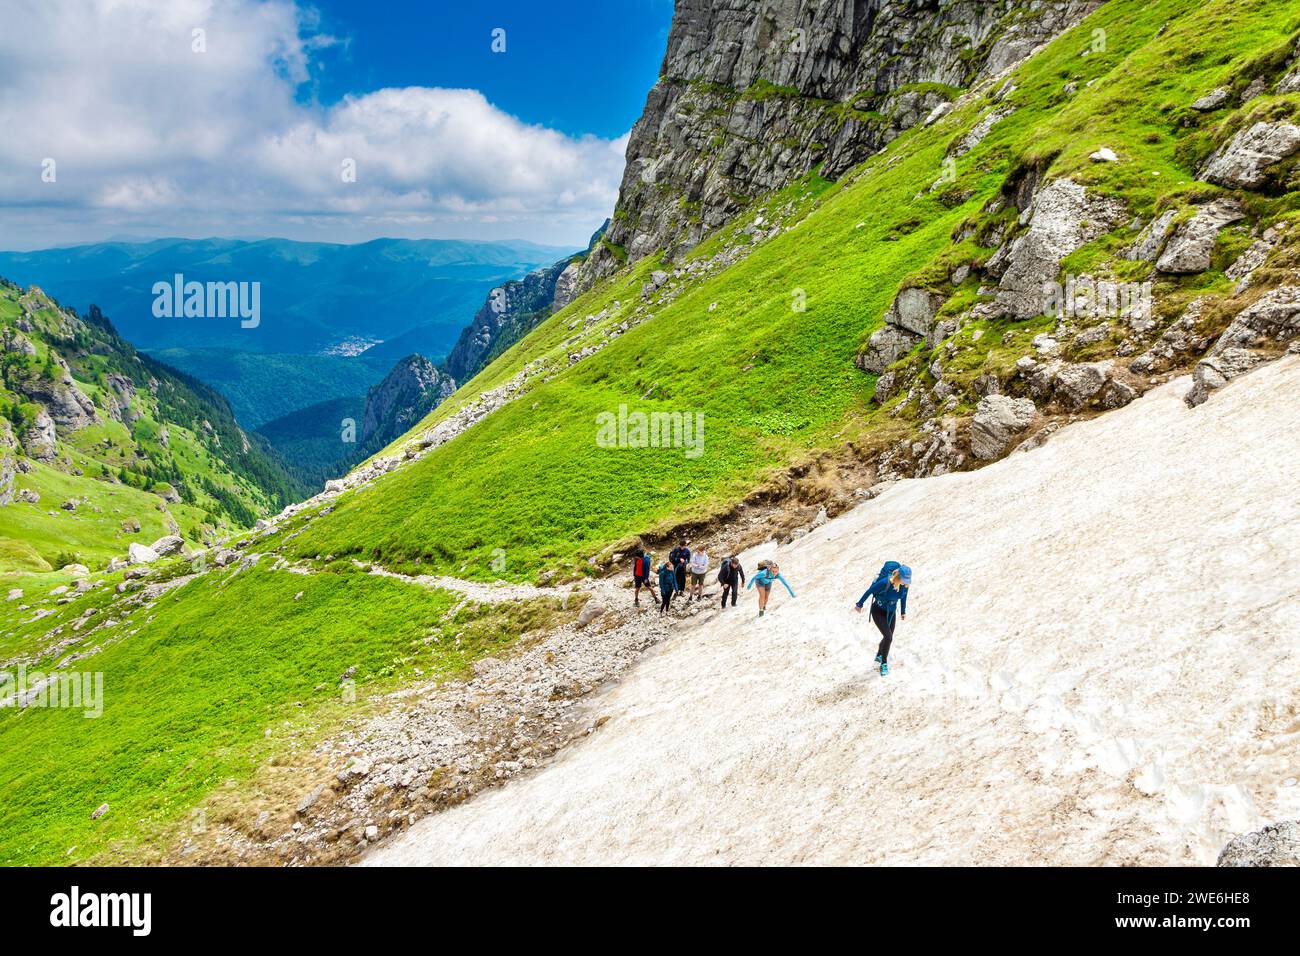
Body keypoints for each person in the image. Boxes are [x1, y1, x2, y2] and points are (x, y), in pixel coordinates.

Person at [855, 562, 911, 677]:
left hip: (891, 613)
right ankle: (884, 663)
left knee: (888, 637)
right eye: (905, 579)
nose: (907, 582)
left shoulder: (904, 586)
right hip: (878, 611)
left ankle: (879, 655)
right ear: (899, 577)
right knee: (888, 637)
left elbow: (903, 598)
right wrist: (859, 604)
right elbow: (869, 591)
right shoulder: (885, 582)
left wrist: (903, 611)